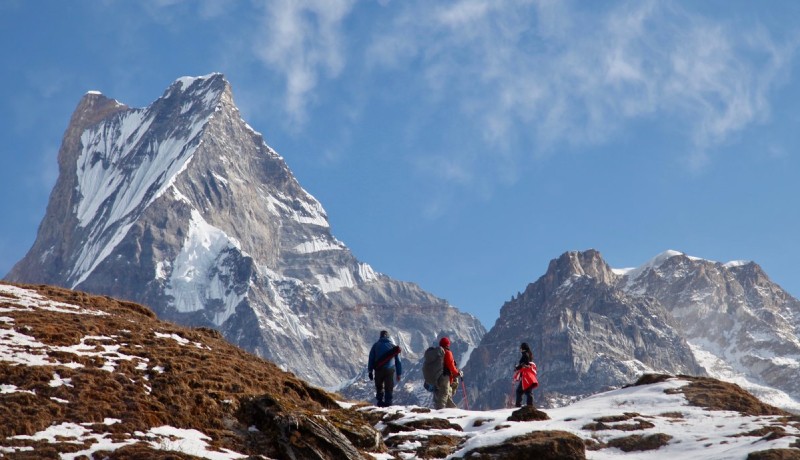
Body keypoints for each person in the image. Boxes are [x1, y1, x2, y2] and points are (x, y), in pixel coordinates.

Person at [368, 330, 402, 407]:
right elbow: (398, 361)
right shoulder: (393, 346)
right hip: (390, 369)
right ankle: (388, 403)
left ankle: (380, 402)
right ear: (388, 336)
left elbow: (371, 359)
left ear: (380, 336)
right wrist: (399, 374)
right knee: (389, 386)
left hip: (378, 369)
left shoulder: (375, 345)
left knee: (379, 386)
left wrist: (370, 371)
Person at [434, 336, 462, 409]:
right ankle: (441, 412)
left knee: (443, 394)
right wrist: (457, 373)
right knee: (444, 395)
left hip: (437, 377)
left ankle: (447, 411)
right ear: (447, 344)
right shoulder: (447, 352)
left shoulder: (436, 353)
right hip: (445, 377)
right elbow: (451, 365)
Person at [514, 342, 537, 407]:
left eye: (520, 347)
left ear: (522, 348)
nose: (520, 349)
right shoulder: (529, 354)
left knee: (520, 391)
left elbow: (525, 364)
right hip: (530, 375)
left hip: (526, 376)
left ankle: (518, 405)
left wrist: (517, 367)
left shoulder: (525, 355)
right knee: (528, 391)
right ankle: (530, 406)